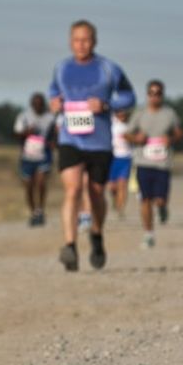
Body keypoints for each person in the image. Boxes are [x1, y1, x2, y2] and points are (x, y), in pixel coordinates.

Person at [49, 20, 136, 271]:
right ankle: (70, 246)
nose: (81, 44)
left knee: (96, 193)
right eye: (76, 40)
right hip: (70, 139)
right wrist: (54, 102)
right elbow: (53, 92)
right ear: (69, 41)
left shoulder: (109, 69)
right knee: (73, 190)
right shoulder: (62, 68)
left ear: (94, 42)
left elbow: (129, 96)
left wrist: (107, 105)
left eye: (86, 40)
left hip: (99, 142)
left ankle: (96, 235)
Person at [124, 80, 182, 248]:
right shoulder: (140, 114)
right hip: (143, 162)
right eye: (152, 93)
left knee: (159, 200)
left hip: (163, 164)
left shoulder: (169, 114)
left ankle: (163, 208)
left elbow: (179, 133)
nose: (155, 96)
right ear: (147, 94)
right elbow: (126, 134)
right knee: (145, 200)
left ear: (162, 95)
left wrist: (170, 139)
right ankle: (148, 234)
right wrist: (137, 138)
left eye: (158, 93)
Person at [13, 92, 57, 226]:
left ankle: (41, 210)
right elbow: (16, 133)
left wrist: (53, 143)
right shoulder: (24, 116)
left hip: (44, 156)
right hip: (27, 157)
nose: (38, 106)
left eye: (40, 104)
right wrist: (27, 132)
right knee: (29, 187)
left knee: (41, 183)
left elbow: (56, 134)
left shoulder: (50, 117)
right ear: (32, 104)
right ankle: (33, 212)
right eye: (35, 104)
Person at [107, 109, 133, 219]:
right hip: (112, 157)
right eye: (119, 111)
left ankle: (121, 209)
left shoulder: (132, 124)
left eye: (124, 111)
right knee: (112, 187)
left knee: (122, 184)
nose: (122, 114)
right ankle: (114, 199)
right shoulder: (111, 121)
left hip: (126, 158)